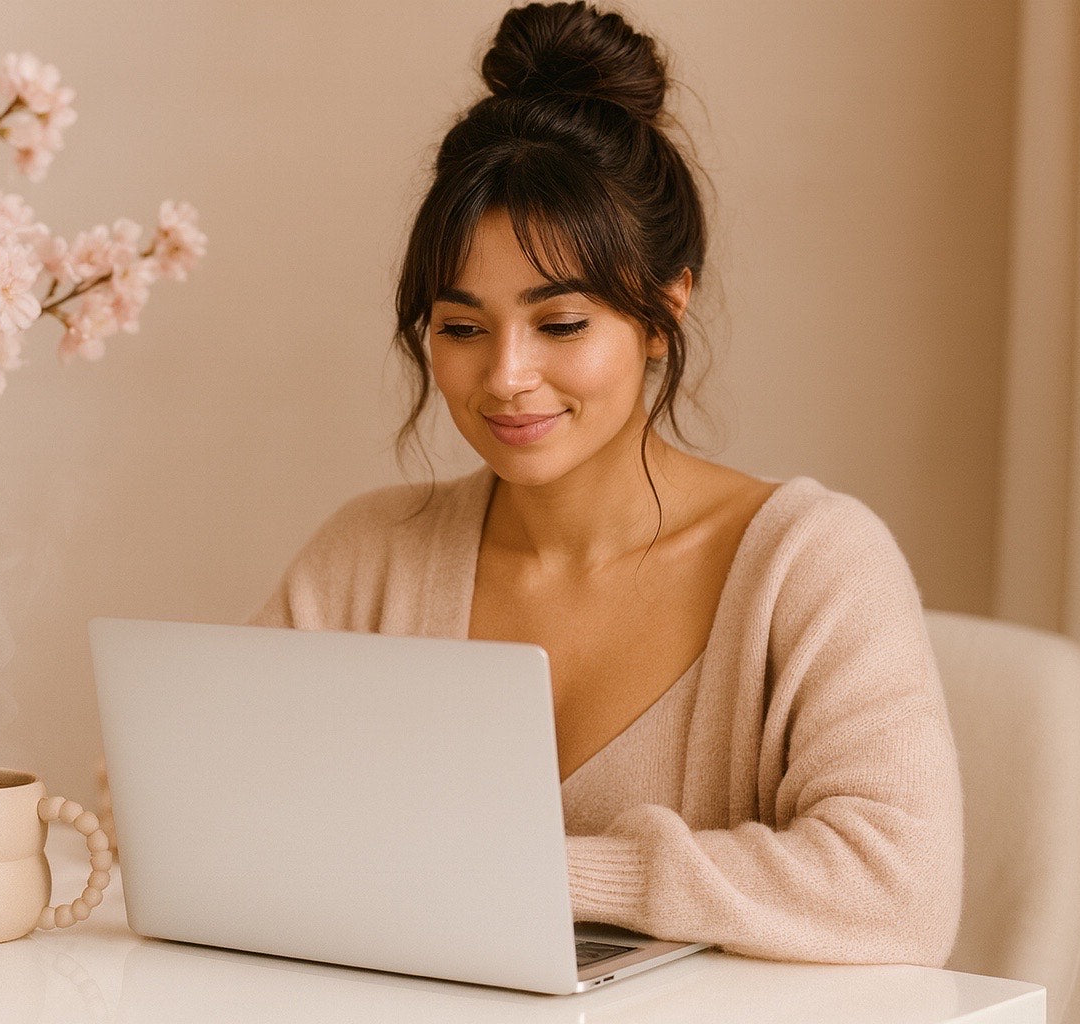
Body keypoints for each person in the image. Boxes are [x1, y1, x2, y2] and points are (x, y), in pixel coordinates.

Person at [99, 0, 963, 967]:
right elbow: (193, 799)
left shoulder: (812, 566)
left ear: (663, 308)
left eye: (560, 325)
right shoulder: (370, 556)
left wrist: (547, 874)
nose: (505, 376)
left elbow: (899, 894)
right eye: (462, 328)